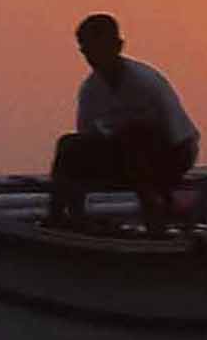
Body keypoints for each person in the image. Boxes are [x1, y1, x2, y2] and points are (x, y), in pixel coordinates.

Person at [46, 12, 197, 233]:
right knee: (68, 145)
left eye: (99, 48)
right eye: (87, 50)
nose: (93, 57)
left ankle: (154, 219)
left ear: (117, 46)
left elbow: (177, 137)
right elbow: (88, 137)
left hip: (171, 155)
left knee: (134, 136)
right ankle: (65, 219)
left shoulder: (145, 82)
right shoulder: (91, 90)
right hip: (127, 159)